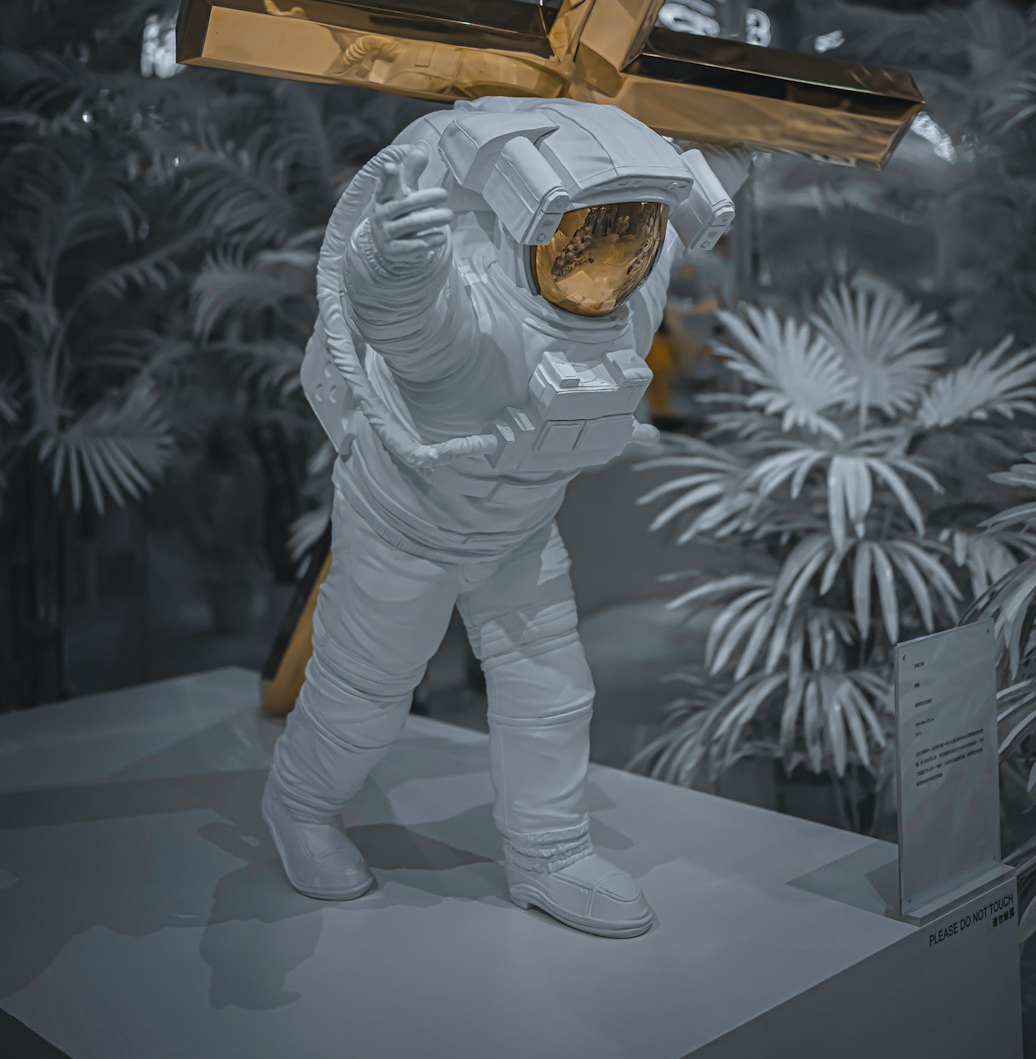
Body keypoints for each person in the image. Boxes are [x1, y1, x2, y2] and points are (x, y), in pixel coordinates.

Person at [262, 96, 743, 938]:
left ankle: (550, 853)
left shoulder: (632, 286)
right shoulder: (468, 313)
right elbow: (404, 322)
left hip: (519, 532)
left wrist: (738, 150)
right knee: (364, 695)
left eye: (630, 234)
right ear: (527, 216)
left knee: (552, 696)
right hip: (403, 528)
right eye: (589, 238)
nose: (612, 258)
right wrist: (392, 260)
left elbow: (694, 198)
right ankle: (300, 808)